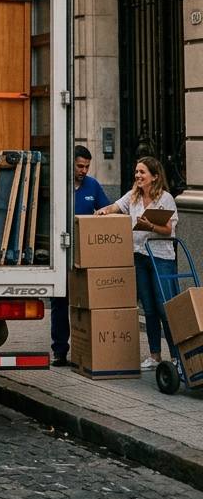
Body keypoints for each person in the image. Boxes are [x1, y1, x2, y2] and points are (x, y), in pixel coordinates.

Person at [94, 155, 178, 370]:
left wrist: (150, 226)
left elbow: (169, 230)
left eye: (142, 172)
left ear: (155, 176)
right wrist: (104, 211)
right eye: (137, 172)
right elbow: (116, 206)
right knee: (148, 308)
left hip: (161, 258)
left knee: (164, 308)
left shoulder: (165, 199)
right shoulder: (133, 197)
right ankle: (154, 355)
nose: (138, 176)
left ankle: (177, 357)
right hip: (139, 256)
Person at [50, 145, 112, 366]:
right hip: (61, 253)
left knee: (84, 303)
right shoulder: (60, 185)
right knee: (60, 302)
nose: (83, 170)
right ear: (71, 164)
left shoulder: (92, 186)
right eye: (79, 166)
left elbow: (107, 210)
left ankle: (84, 348)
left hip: (85, 254)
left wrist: (102, 213)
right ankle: (59, 350)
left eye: (87, 166)